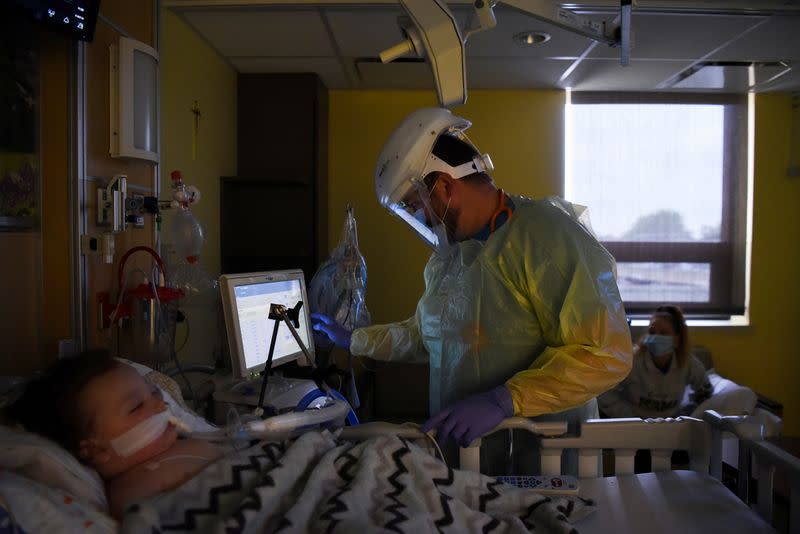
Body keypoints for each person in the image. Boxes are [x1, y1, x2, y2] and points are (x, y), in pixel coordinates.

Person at [312, 107, 633, 473]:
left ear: (446, 187)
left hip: (542, 461)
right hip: (467, 458)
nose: (421, 221)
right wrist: (353, 339)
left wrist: (504, 400)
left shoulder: (546, 240)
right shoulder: (449, 260)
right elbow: (425, 336)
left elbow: (607, 352)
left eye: (417, 207)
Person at [9, 350, 223, 519]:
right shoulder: (133, 491)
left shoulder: (183, 441)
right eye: (138, 406)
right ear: (97, 449)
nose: (160, 404)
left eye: (154, 393)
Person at [599, 305, 712, 419]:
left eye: (663, 333)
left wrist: (685, 415)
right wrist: (629, 417)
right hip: (634, 426)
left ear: (677, 339)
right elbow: (604, 392)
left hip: (671, 427)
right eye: (652, 332)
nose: (656, 337)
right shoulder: (631, 360)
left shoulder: (688, 363)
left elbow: (705, 391)